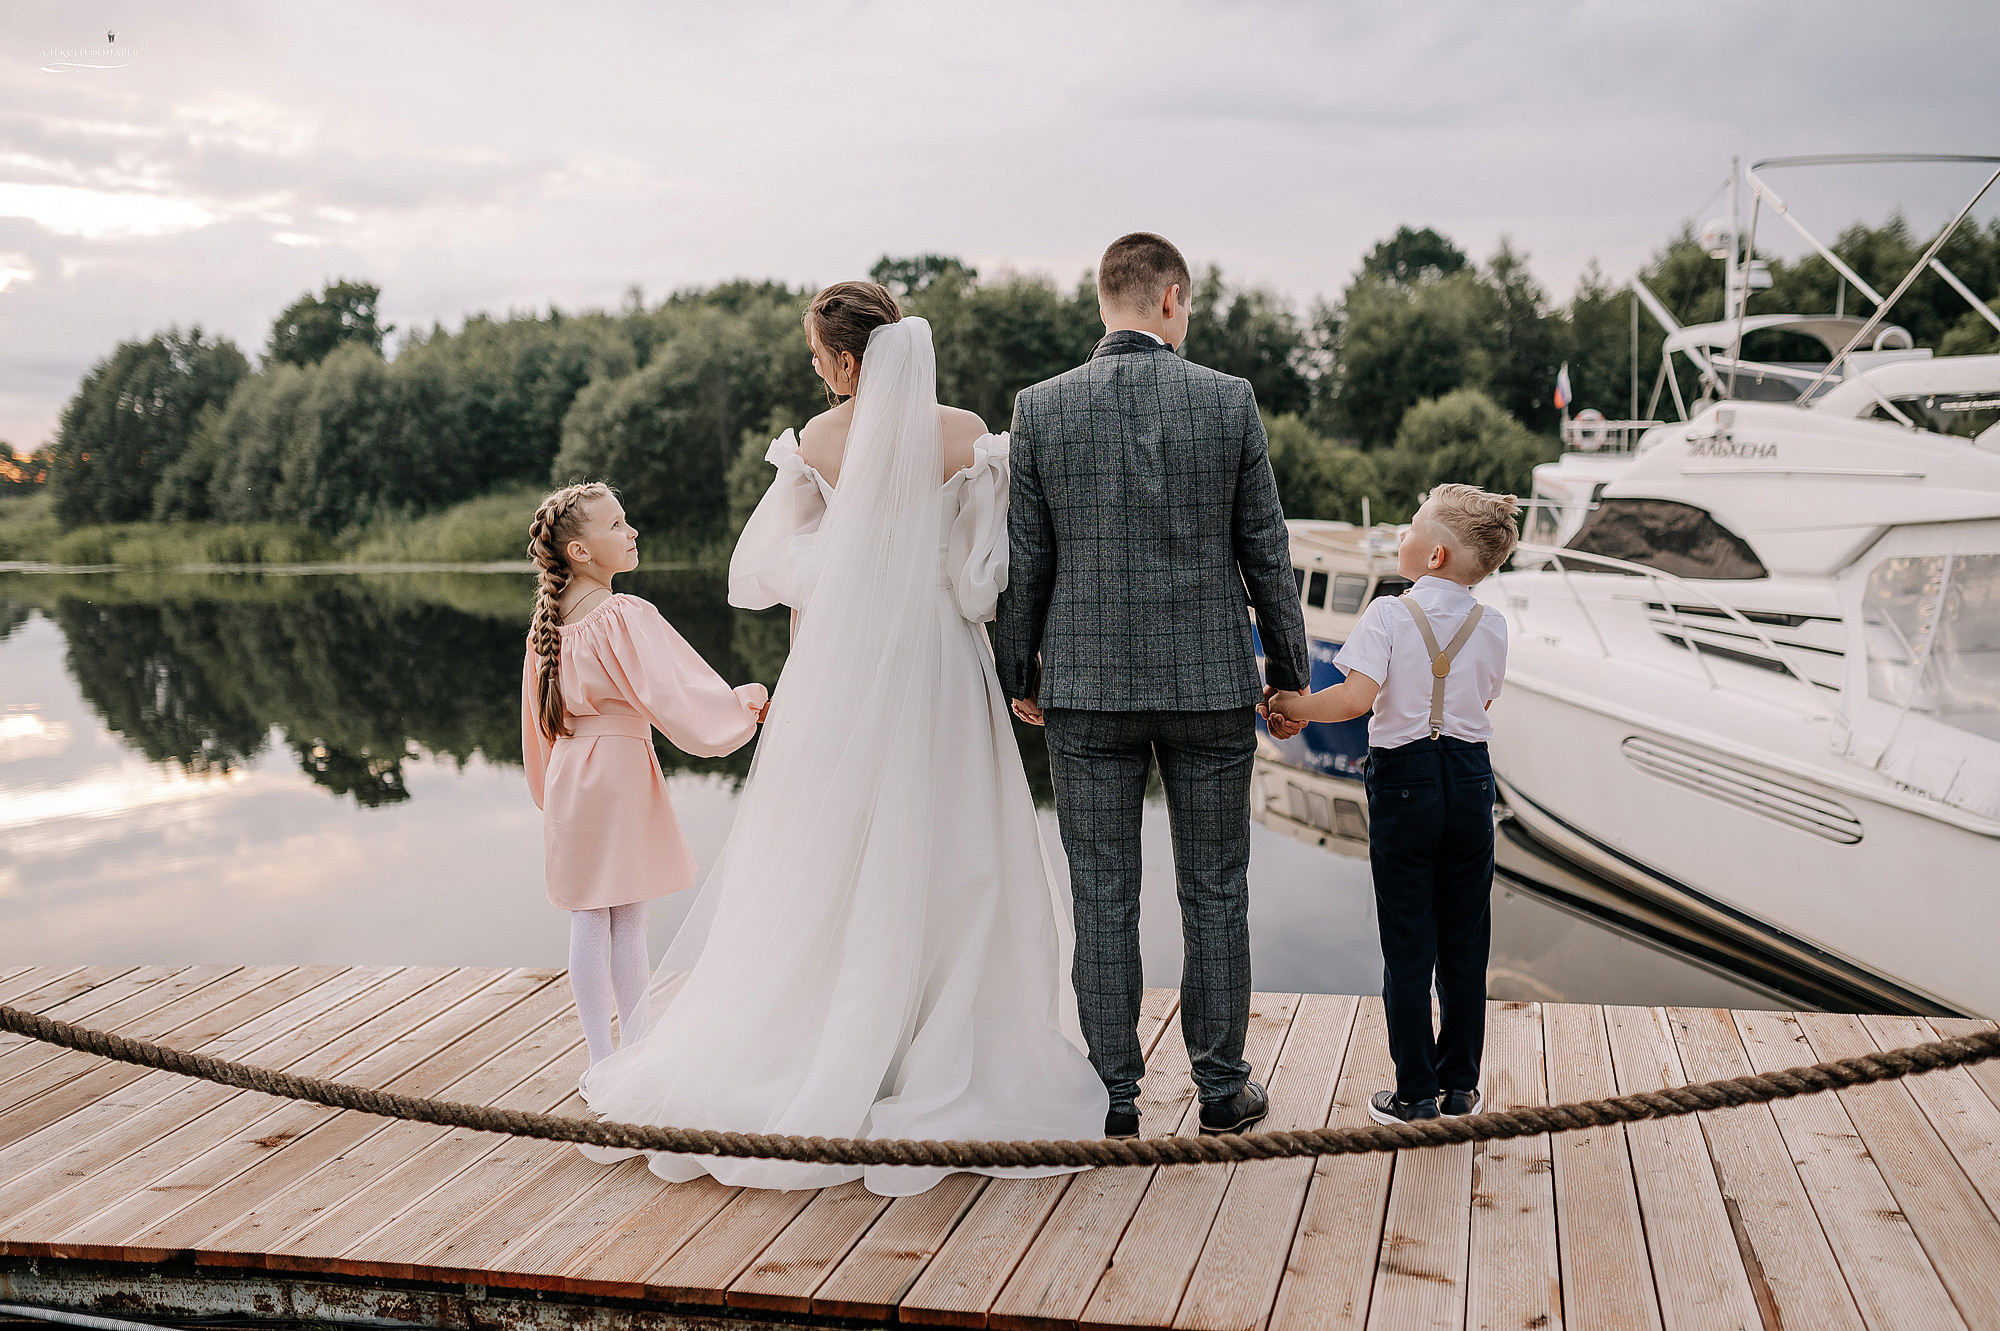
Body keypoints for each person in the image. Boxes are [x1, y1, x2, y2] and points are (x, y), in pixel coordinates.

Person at [570, 283, 1108, 1197]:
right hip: (942, 660)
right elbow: (987, 574)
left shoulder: (816, 445)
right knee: (953, 849)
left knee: (833, 850)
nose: (814, 368)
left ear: (847, 359)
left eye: (818, 355)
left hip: (844, 668)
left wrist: (812, 673)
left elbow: (789, 577)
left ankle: (830, 1035)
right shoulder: (962, 431)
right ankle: (931, 1047)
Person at [994, 232, 1311, 1140]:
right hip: (1210, 683)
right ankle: (1221, 1090)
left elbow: (1027, 564)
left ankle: (1113, 1096)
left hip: (1086, 691)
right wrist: (1288, 674)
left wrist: (1021, 673)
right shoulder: (1228, 400)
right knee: (1216, 889)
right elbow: (1268, 554)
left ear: (1107, 302)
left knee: (1102, 892)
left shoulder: (1042, 409)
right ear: (1171, 298)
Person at [1266, 483, 1518, 1125]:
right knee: (1465, 941)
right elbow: (1484, 700)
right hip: (1468, 780)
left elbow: (1353, 700)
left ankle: (1414, 1094)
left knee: (1409, 945)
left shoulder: (1386, 615)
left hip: (1405, 783)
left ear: (1433, 556)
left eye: (1410, 527)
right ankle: (1460, 1086)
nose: (1400, 535)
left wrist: (1294, 709)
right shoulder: (1490, 623)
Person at [520, 483, 769, 1088]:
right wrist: (741, 706)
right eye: (617, 525)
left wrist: (549, 795)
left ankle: (600, 1057)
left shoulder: (545, 629)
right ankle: (636, 1043)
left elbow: (537, 726)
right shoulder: (624, 614)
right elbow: (676, 691)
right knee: (628, 911)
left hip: (571, 774)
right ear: (580, 550)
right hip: (620, 768)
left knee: (587, 911)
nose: (632, 532)